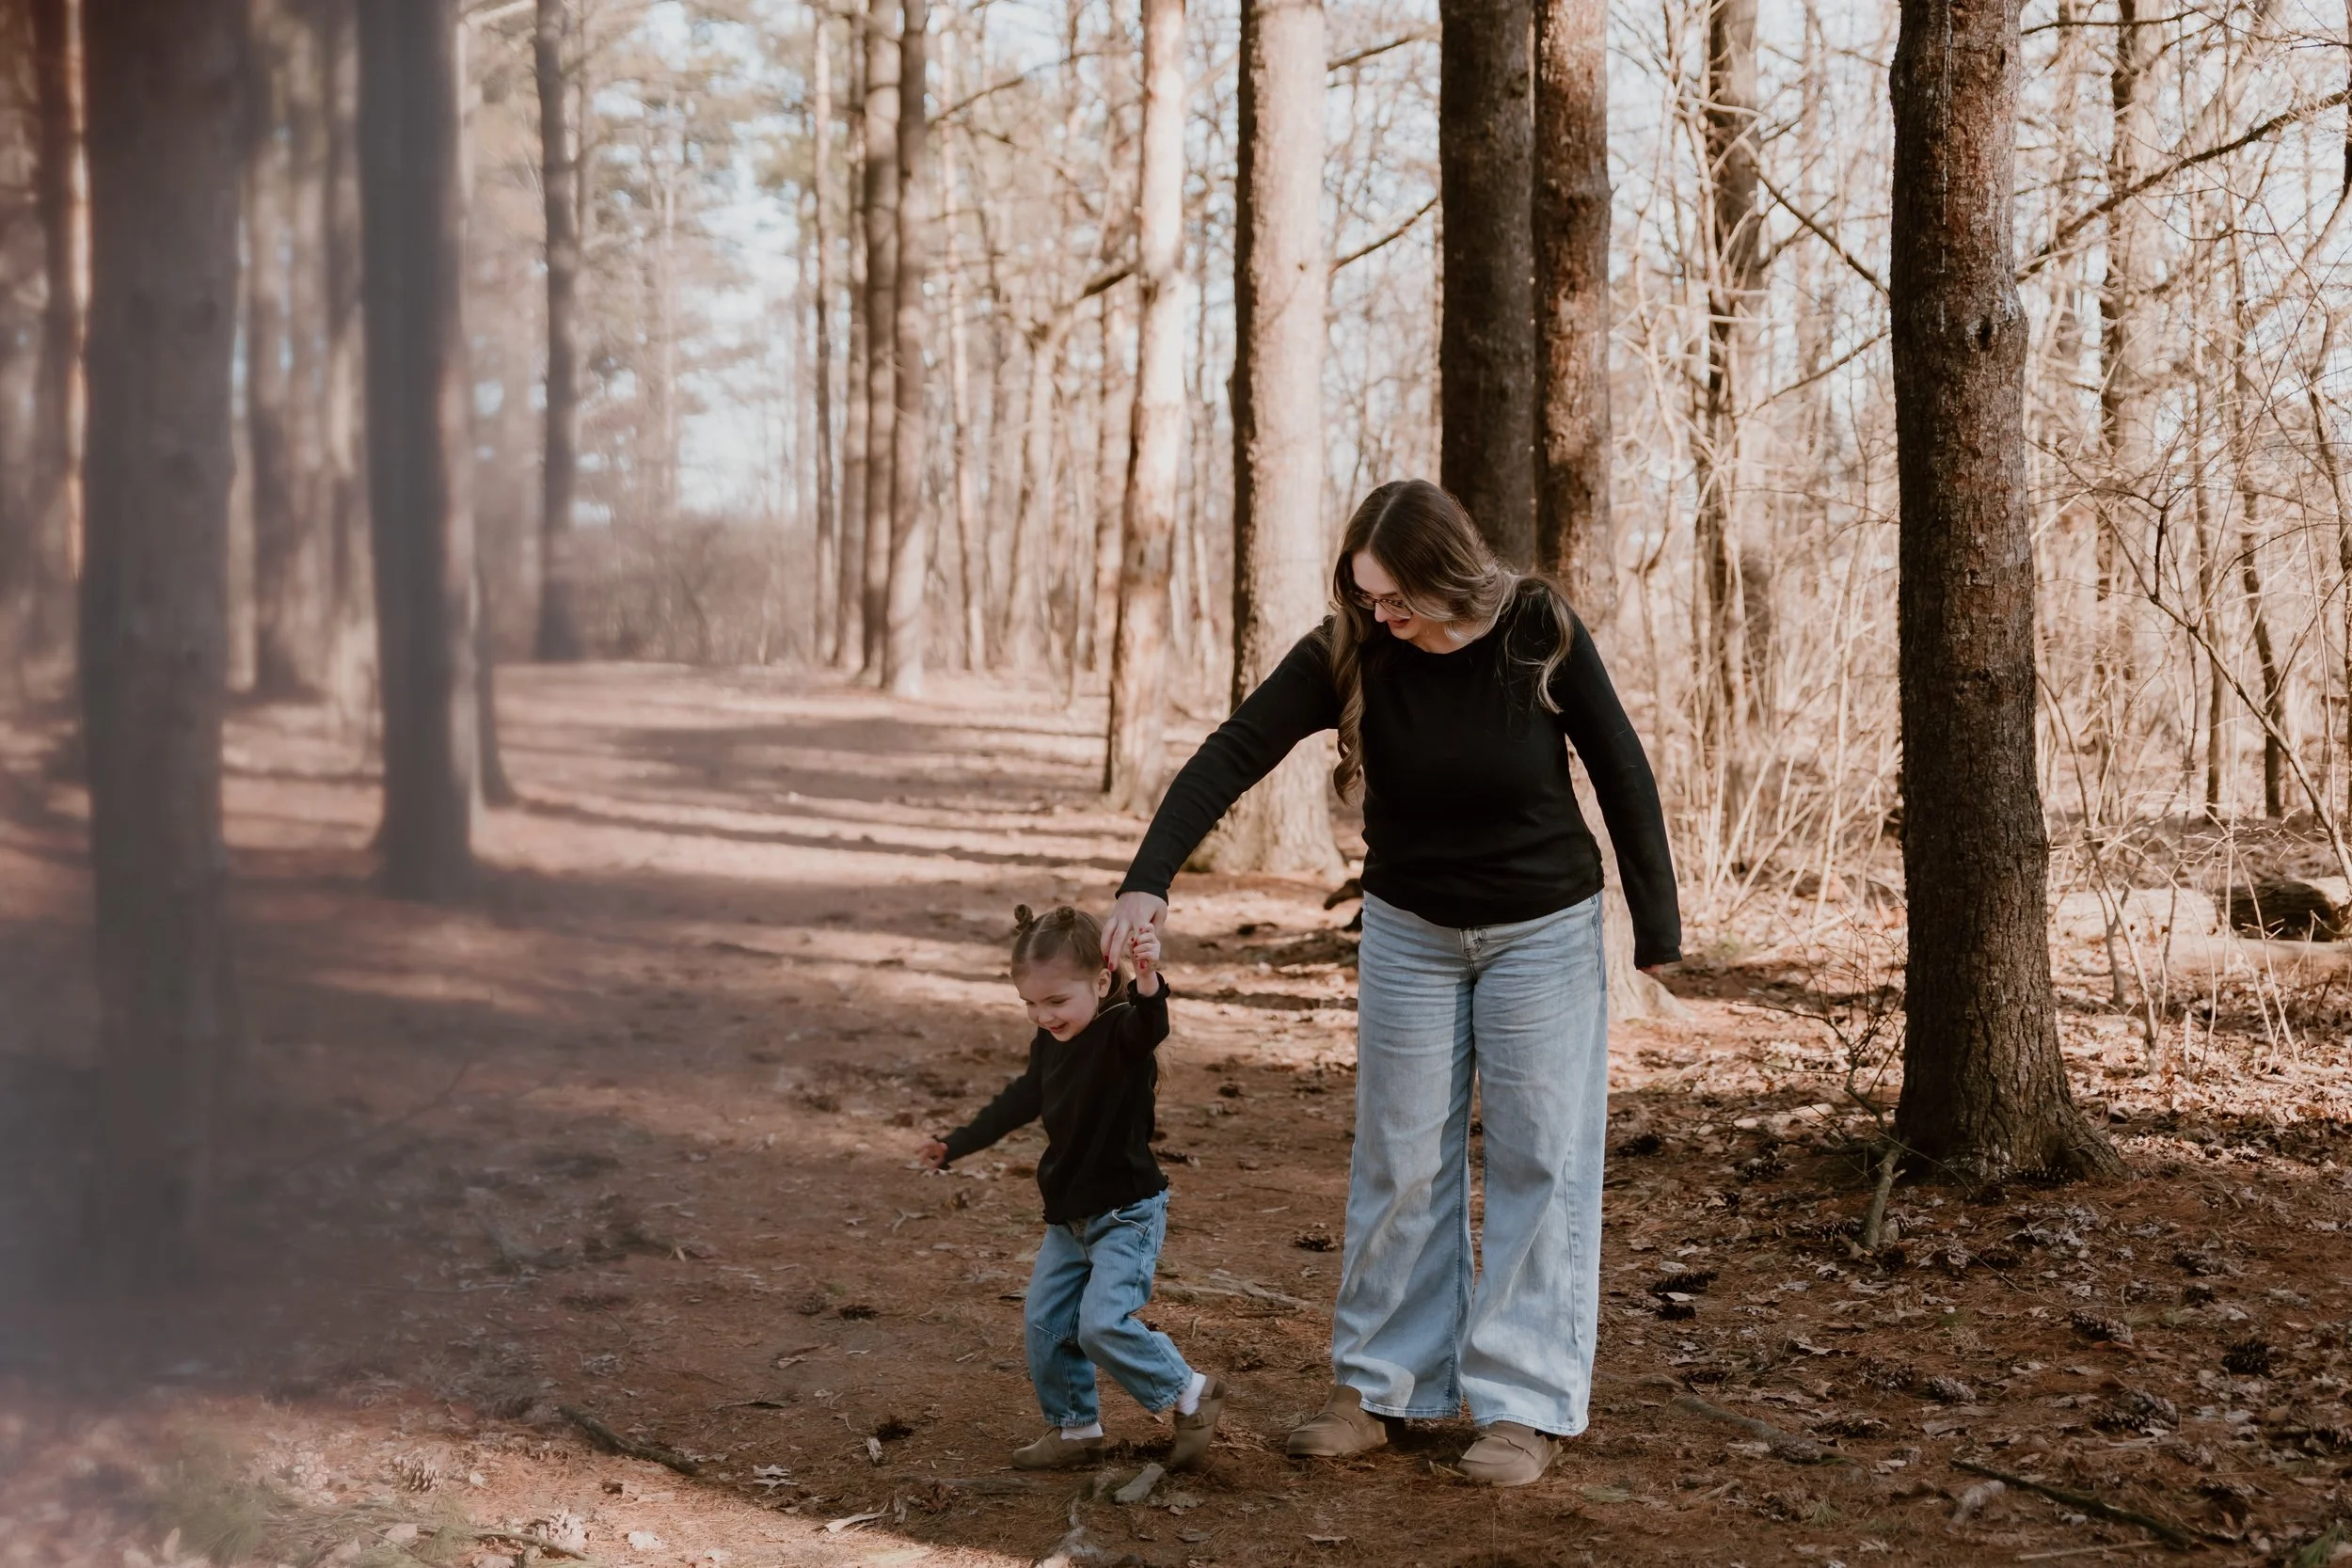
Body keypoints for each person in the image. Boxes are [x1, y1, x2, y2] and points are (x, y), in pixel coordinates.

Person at [1099, 479, 1680, 1488]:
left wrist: (1656, 927)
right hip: (1410, 930)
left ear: (1446, 575)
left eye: (1396, 598)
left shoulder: (1536, 627)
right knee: (1400, 1155)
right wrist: (1147, 879)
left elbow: (1620, 765)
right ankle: (1380, 1388)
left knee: (1540, 1157)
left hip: (1540, 929)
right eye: (1367, 598)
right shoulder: (1350, 648)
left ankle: (1522, 1404)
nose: (1381, 615)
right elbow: (1235, 749)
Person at [919, 904, 1227, 1471]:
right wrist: (955, 1144)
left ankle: (1189, 1392)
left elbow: (1151, 1022)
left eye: (1056, 1001)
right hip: (1068, 1218)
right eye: (1030, 1004)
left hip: (1125, 1213)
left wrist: (1149, 978)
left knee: (1101, 1324)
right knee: (1044, 1321)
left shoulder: (1121, 1035)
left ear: (1102, 981)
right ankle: (1076, 1428)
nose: (1042, 1016)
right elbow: (1019, 1101)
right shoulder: (1050, 1044)